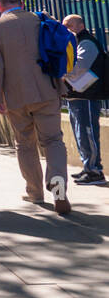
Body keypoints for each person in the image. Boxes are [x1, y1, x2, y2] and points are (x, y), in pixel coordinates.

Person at [0, 0, 72, 214]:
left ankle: (35, 192)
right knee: (53, 140)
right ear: (22, 3)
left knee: (25, 143)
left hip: (16, 95)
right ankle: (58, 185)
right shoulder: (41, 19)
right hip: (48, 89)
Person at [62, 14, 104, 185]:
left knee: (88, 132)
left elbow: (79, 67)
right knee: (81, 134)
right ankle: (88, 167)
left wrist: (61, 74)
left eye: (68, 26)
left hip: (87, 95)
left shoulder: (86, 42)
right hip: (77, 95)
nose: (65, 30)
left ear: (79, 25)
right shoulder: (77, 42)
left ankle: (95, 171)